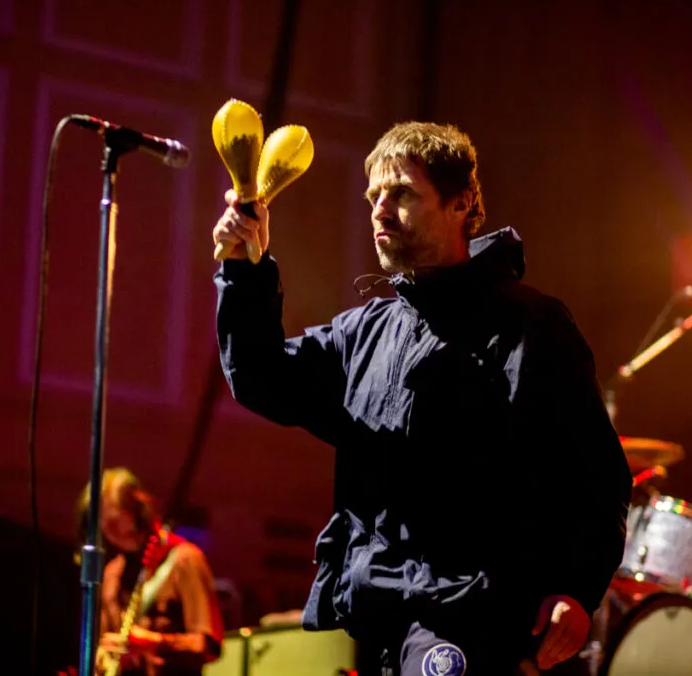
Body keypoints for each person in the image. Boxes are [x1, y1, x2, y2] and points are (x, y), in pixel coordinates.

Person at [211, 122, 631, 675]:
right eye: (373, 197)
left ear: (462, 204)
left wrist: (576, 590)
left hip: (473, 617)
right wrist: (244, 271)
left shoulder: (534, 327)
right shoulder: (365, 332)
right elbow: (261, 375)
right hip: (379, 619)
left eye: (401, 193)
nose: (380, 210)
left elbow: (596, 475)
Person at [75, 467, 225, 676]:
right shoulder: (112, 574)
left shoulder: (185, 560)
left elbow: (208, 646)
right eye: (104, 526)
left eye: (116, 520)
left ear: (138, 510)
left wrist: (154, 643)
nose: (111, 531)